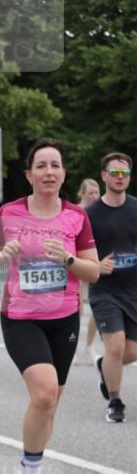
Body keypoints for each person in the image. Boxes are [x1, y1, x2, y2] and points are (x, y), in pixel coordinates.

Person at [0, 138, 99, 474]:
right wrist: (0, 256)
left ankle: (25, 470)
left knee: (51, 401)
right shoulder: (9, 213)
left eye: (55, 165)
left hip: (64, 320)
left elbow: (93, 270)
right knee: (44, 395)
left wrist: (70, 258)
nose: (49, 172)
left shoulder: (76, 216)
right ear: (29, 175)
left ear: (63, 174)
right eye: (41, 166)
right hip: (21, 319)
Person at [85, 152, 136, 423]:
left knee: (131, 352)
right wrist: (94, 265)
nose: (119, 178)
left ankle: (103, 366)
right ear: (104, 175)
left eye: (124, 174)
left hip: (134, 289)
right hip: (105, 290)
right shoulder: (90, 215)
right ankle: (115, 401)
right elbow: (78, 251)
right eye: (114, 173)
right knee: (115, 346)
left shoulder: (136, 208)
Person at [75, 179, 102, 363]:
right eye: (90, 192)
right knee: (76, 308)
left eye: (96, 192)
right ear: (81, 193)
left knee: (99, 306)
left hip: (95, 264)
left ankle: (89, 346)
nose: (94, 196)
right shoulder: (75, 212)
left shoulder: (102, 212)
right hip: (76, 263)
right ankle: (72, 345)